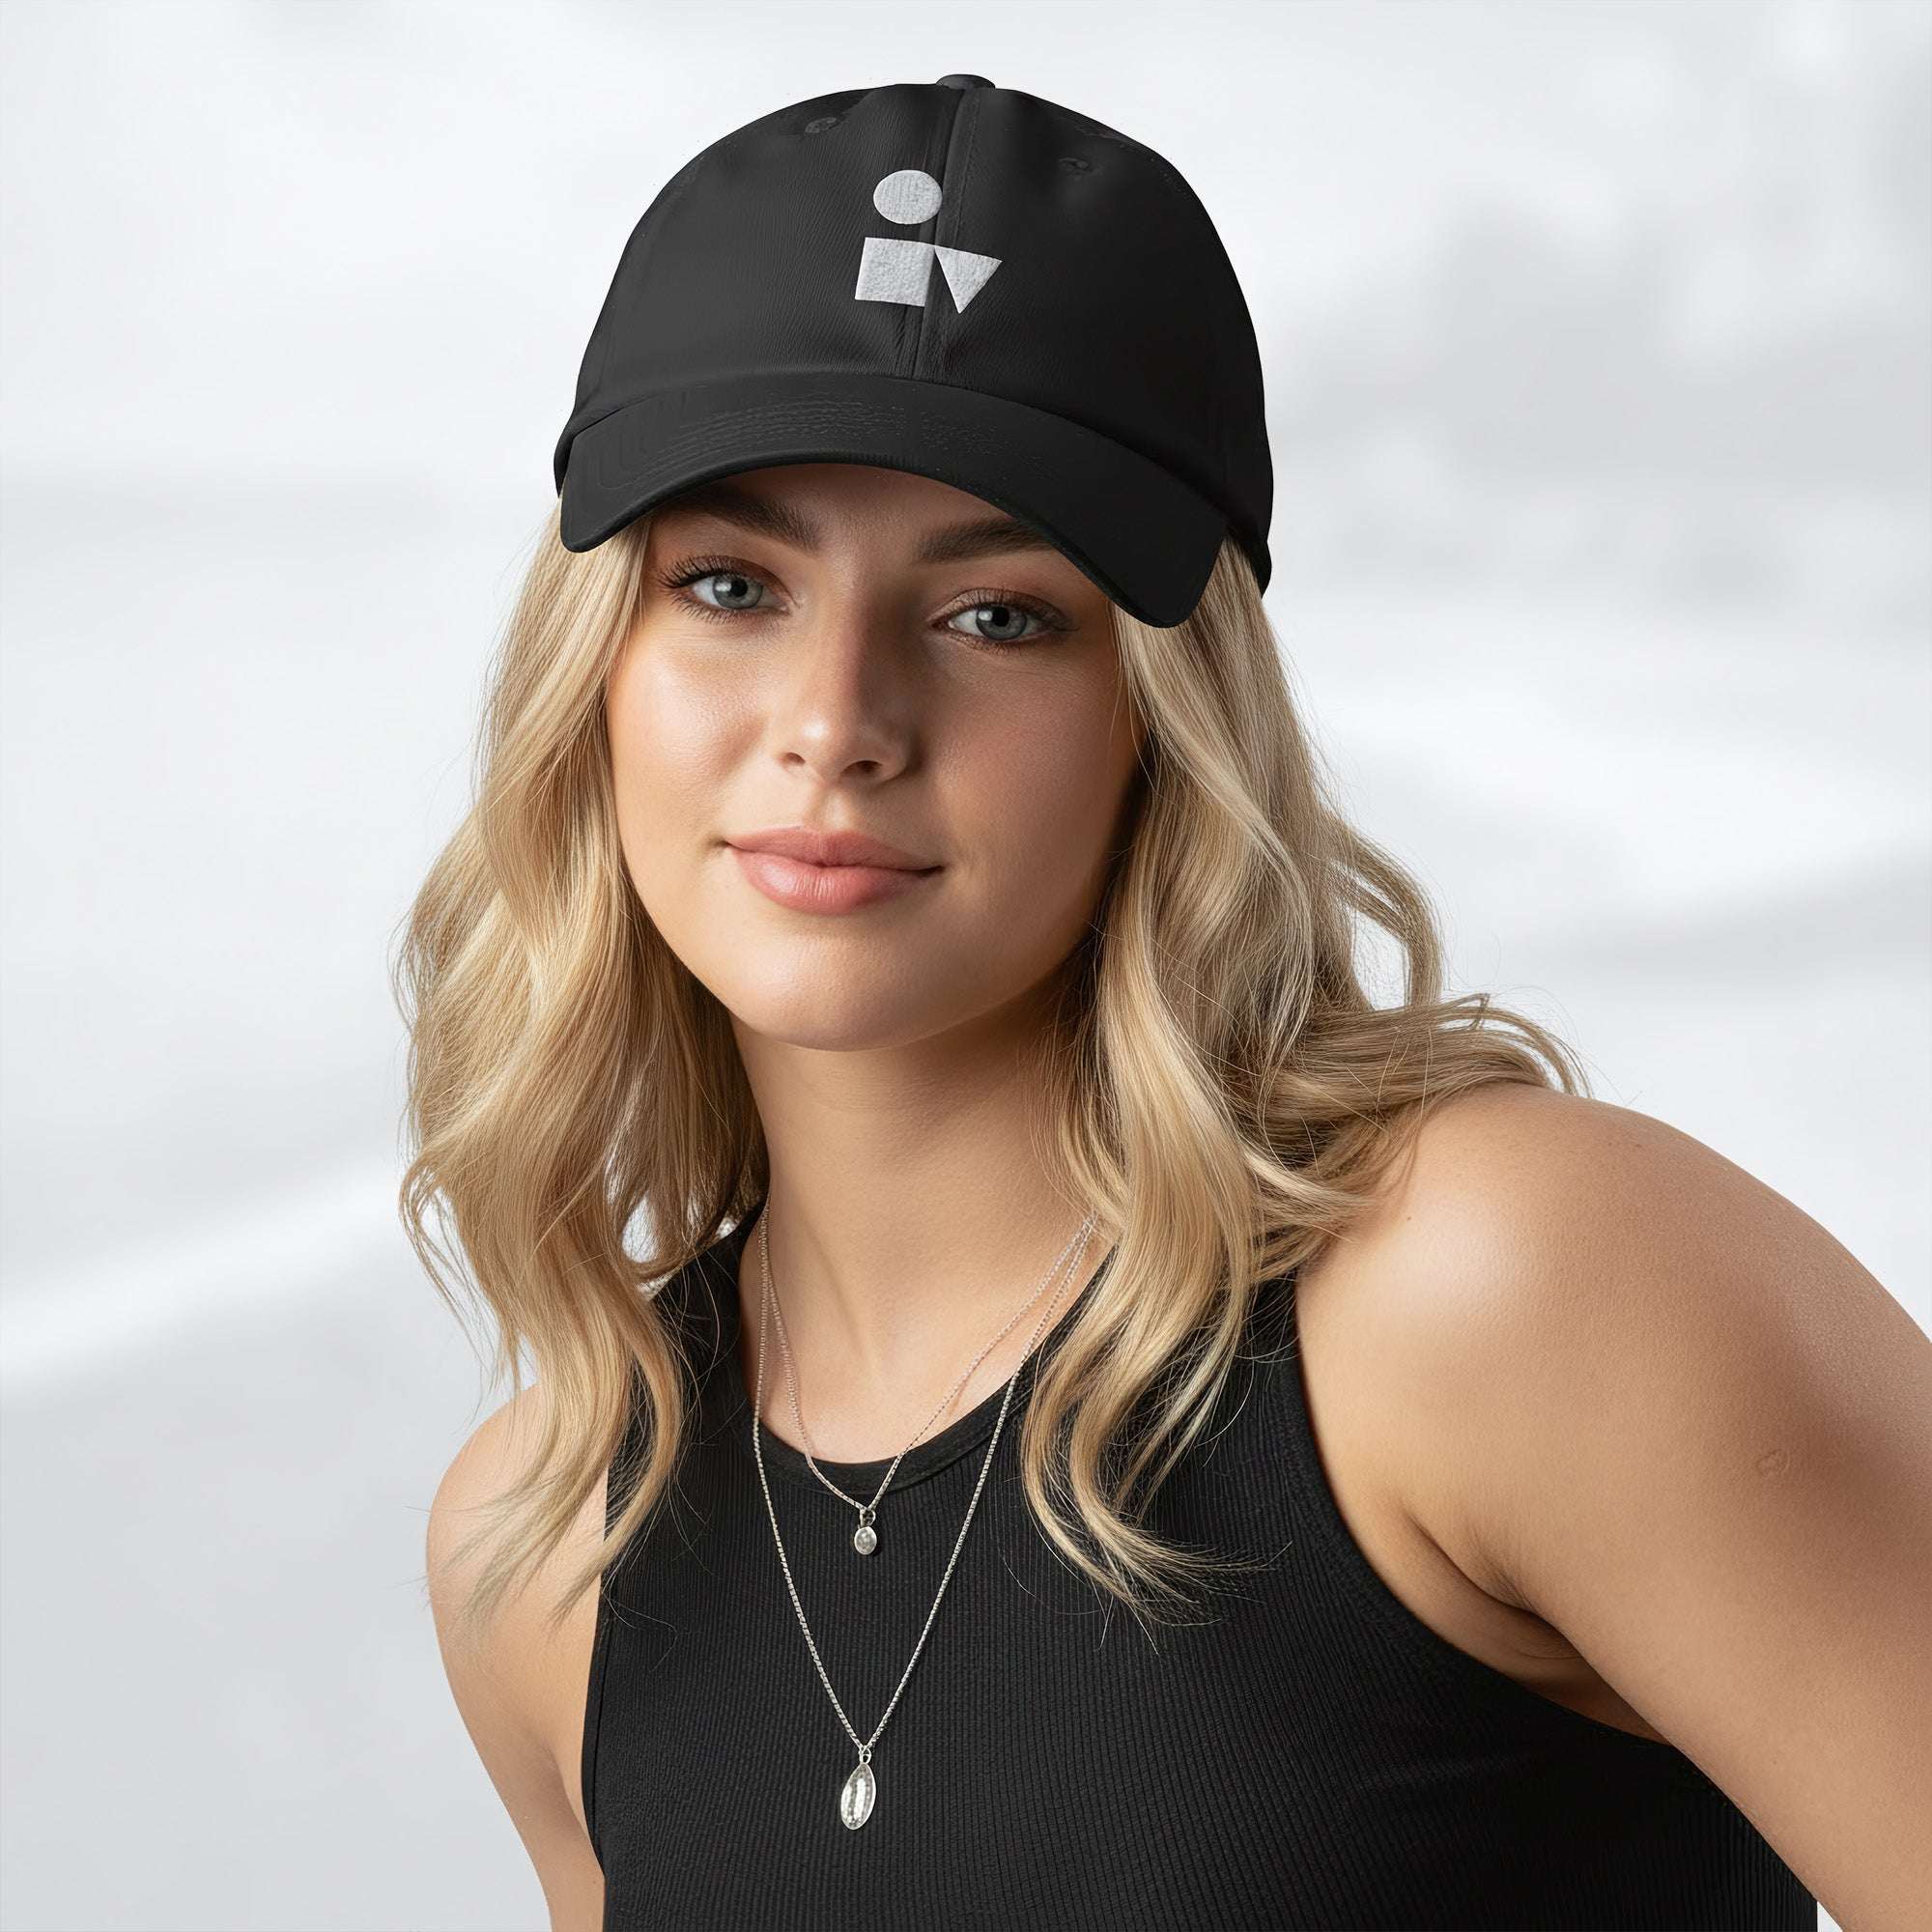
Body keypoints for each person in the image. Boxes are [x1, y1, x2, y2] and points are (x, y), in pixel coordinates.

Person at [410, 76, 1927, 1932]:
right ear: (597, 675)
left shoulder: (1506, 1290)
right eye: (731, 585)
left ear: (1169, 716)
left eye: (997, 616)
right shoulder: (546, 1545)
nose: (838, 720)